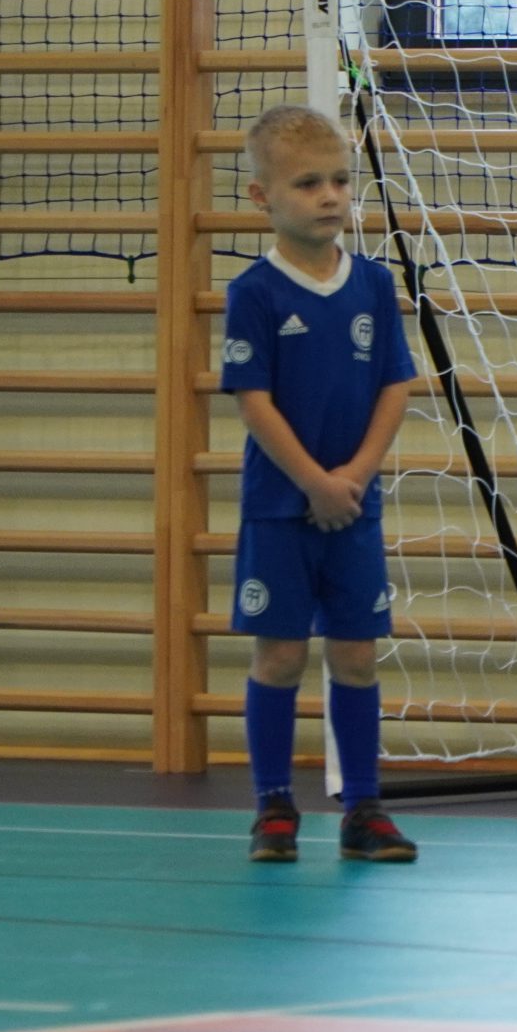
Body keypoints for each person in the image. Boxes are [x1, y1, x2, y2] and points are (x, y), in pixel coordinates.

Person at [219, 105, 422, 864]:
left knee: (357, 657)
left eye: (339, 180)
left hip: (353, 508)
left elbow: (396, 385)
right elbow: (254, 401)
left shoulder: (372, 283)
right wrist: (312, 482)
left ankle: (363, 808)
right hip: (281, 508)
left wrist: (353, 479)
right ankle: (273, 806)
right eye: (308, 184)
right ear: (262, 196)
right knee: (279, 657)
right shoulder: (255, 292)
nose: (329, 196)